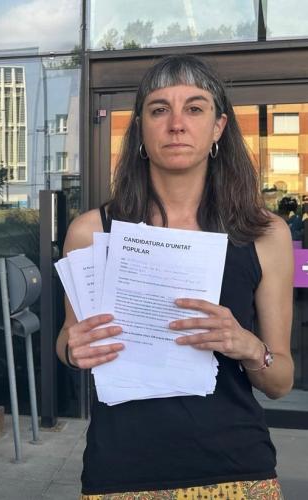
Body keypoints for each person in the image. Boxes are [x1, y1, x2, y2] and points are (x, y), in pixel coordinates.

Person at [56, 55, 294, 499]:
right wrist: (74, 349)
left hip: (237, 472)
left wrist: (248, 346)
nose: (177, 124)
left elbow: (280, 381)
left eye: (195, 108)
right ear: (141, 129)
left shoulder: (265, 235)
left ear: (218, 127)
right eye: (160, 109)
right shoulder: (92, 232)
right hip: (121, 471)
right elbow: (69, 341)